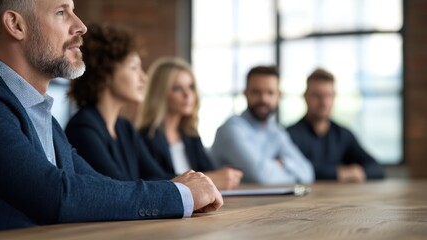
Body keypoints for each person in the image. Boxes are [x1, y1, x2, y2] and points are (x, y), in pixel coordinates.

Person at [0, 0, 222, 231]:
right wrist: (178, 194)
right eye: (61, 13)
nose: (81, 26)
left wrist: (181, 190)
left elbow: (100, 185)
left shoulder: (46, 120)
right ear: (16, 25)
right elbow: (55, 195)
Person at [65, 23, 173, 181]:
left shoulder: (125, 128)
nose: (144, 78)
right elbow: (120, 190)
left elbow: (158, 177)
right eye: (134, 68)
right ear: (105, 72)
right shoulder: (82, 128)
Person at [139, 57, 243, 190]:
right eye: (177, 88)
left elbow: (210, 172)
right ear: (160, 93)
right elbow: (153, 182)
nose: (187, 94)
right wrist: (211, 179)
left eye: (191, 87)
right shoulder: (143, 137)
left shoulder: (190, 135)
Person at [210, 66, 314, 185]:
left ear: (278, 95)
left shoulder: (277, 132)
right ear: (245, 93)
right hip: (229, 203)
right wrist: (279, 165)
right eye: (256, 92)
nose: (263, 99)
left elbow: (307, 172)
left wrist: (283, 163)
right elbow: (261, 177)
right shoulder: (231, 130)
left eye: (270, 93)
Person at [287, 68, 384, 182]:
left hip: (340, 198)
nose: (323, 102)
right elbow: (294, 168)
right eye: (317, 96)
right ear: (305, 97)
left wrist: (358, 172)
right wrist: (338, 173)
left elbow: (376, 168)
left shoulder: (344, 135)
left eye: (328, 95)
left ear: (334, 97)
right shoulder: (289, 135)